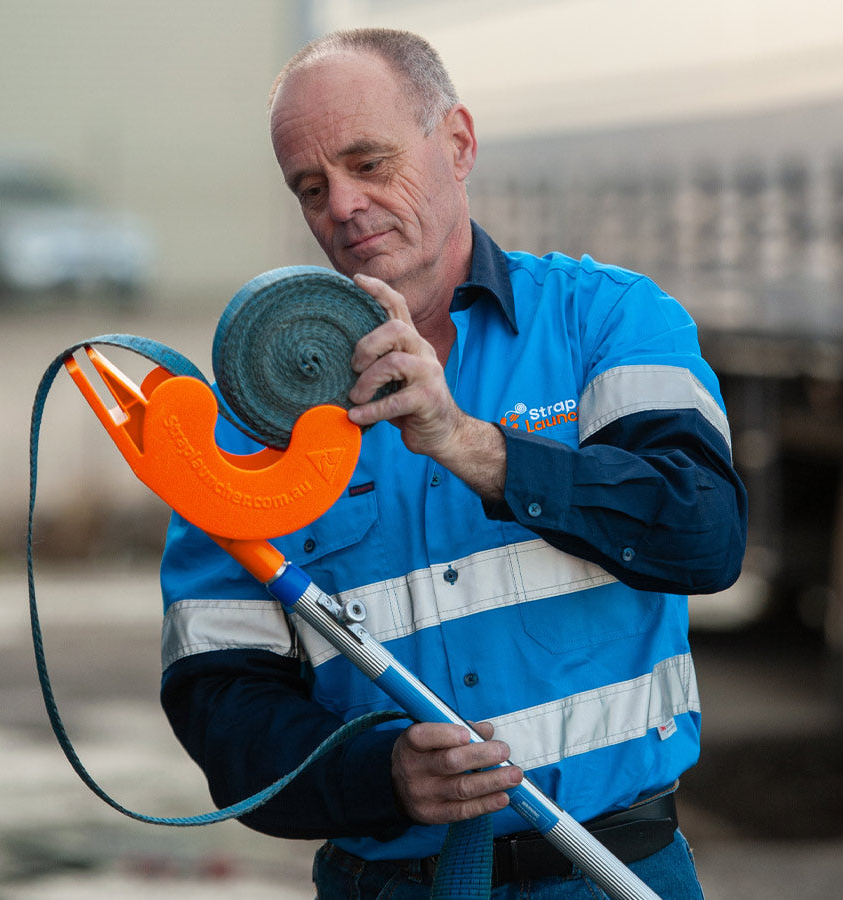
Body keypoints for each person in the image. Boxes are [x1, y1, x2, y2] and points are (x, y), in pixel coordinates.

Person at [159, 27, 747, 899]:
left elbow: (704, 535)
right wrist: (379, 773)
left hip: (609, 873)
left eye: (368, 163)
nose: (343, 205)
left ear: (460, 142)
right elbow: (219, 702)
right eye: (311, 187)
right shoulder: (249, 420)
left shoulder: (607, 320)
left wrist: (470, 444)